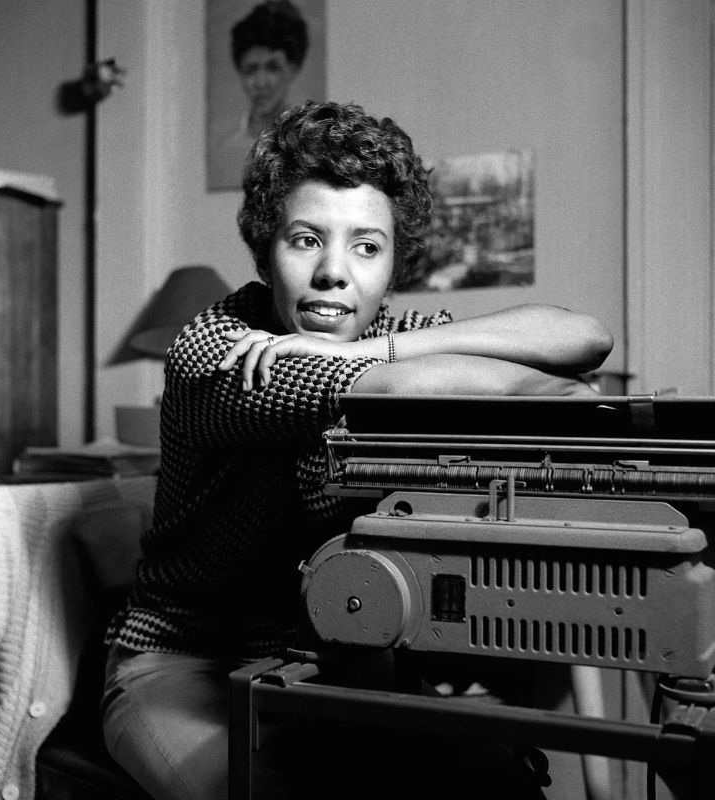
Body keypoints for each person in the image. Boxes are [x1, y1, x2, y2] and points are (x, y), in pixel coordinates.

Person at [102, 101, 613, 800]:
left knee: (505, 781)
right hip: (182, 665)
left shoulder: (390, 334)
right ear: (265, 248)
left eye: (366, 247)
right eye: (306, 239)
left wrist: (385, 343)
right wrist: (415, 365)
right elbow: (450, 387)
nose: (333, 274)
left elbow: (584, 338)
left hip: (337, 664)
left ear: (395, 263)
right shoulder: (223, 350)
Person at [209, 0, 310, 189]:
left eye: (273, 68)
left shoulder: (307, 147)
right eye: (251, 69)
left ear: (293, 69)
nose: (261, 82)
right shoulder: (227, 149)